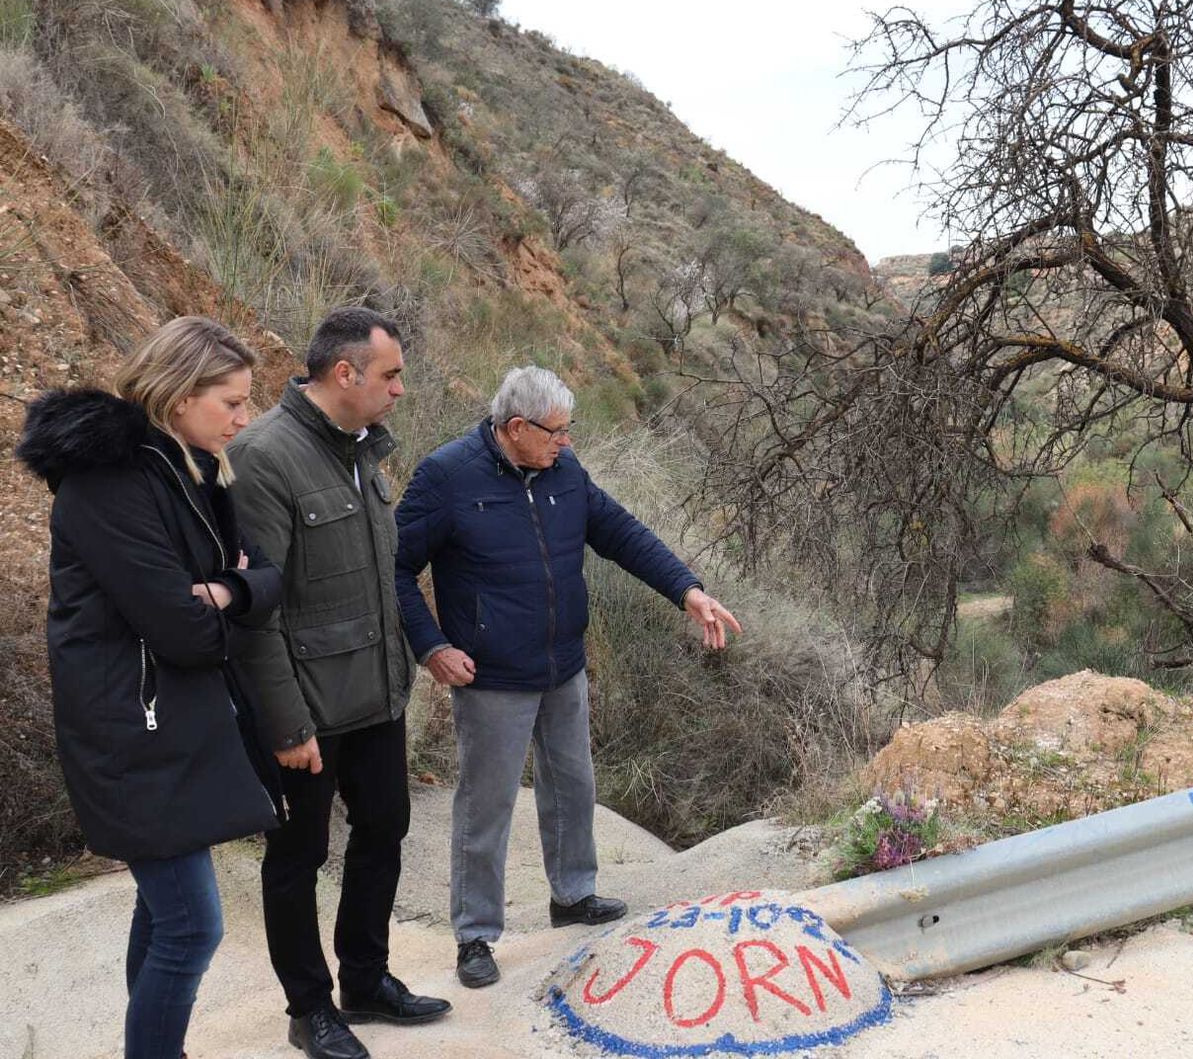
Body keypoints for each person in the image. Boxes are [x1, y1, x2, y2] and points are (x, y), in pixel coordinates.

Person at [395, 365, 742, 990]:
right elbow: (393, 569)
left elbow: (622, 534)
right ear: (517, 428)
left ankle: (574, 895)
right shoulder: (446, 476)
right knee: (486, 807)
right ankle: (476, 935)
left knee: (574, 786)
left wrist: (687, 590)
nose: (567, 442)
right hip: (490, 675)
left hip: (562, 665)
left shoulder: (564, 473)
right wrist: (431, 647)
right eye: (557, 432)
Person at [16, 317, 284, 1059]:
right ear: (177, 394)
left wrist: (226, 591)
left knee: (163, 914)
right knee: (193, 925)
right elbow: (183, 633)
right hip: (129, 735)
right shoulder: (109, 483)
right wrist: (232, 601)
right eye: (230, 400)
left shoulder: (189, 470)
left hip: (171, 725)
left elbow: (264, 574)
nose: (244, 417)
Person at [228, 307, 449, 1059]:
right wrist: (288, 724)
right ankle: (310, 1008)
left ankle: (366, 978)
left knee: (385, 829)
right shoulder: (265, 455)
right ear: (345, 373)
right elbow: (258, 609)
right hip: (309, 712)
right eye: (390, 375)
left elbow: (379, 582)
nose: (399, 391)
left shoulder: (362, 453)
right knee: (297, 858)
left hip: (376, 699)